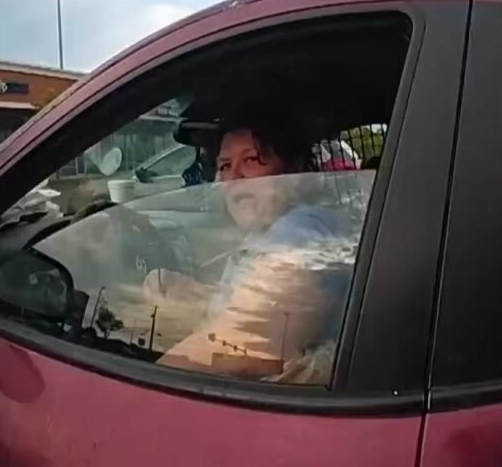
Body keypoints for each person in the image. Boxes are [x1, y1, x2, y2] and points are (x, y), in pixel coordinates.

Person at [142, 113, 353, 384]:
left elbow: (242, 345)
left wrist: (128, 401)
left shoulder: (304, 229)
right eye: (224, 166)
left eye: (251, 160)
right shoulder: (267, 232)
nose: (234, 178)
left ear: (295, 171)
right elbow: (258, 301)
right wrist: (194, 292)